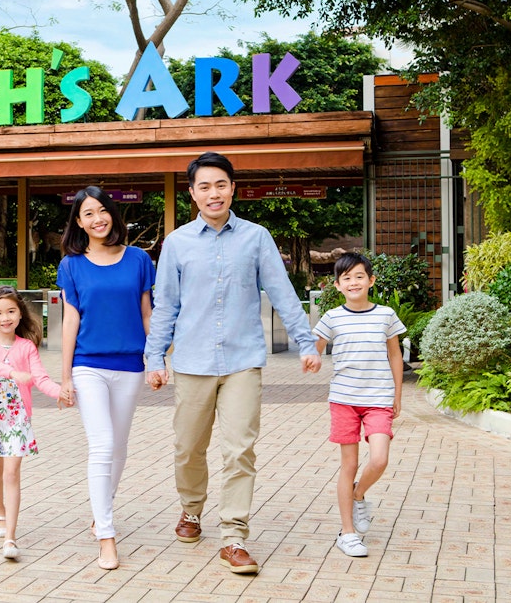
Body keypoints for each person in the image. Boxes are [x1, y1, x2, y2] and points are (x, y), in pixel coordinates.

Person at [145, 151, 322, 574]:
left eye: (220, 184)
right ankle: (191, 510)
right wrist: (155, 356)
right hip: (191, 362)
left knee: (239, 450)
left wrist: (306, 342)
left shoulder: (256, 237)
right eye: (204, 186)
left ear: (233, 188)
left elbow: (281, 291)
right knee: (188, 448)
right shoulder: (178, 243)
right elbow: (166, 304)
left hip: (243, 361)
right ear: (192, 193)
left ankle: (234, 535)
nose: (213, 193)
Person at [57, 186, 156, 571]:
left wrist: (157, 358)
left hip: (130, 365)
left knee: (119, 447)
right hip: (88, 366)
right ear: (78, 222)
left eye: (102, 211)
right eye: (87, 214)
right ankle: (107, 536)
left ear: (113, 214)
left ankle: (101, 513)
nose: (97, 219)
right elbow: (70, 320)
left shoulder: (138, 260)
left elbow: (147, 313)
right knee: (102, 445)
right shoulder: (72, 265)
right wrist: (65, 377)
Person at [312, 251, 405, 558]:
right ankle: (348, 533)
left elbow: (395, 355)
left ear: (371, 280)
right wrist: (309, 355)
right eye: (346, 278)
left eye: (359, 276)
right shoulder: (332, 317)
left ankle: (358, 493)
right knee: (348, 464)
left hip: (378, 399)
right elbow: (315, 347)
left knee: (379, 460)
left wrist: (397, 395)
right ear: (337, 285)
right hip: (344, 400)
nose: (353, 282)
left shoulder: (386, 315)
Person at [0, 285, 67, 560]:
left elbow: (40, 378)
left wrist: (59, 392)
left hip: (17, 417)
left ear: (20, 314)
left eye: (11, 311)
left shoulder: (27, 347)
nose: (5, 317)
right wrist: (14, 373)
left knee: (12, 473)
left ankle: (11, 538)